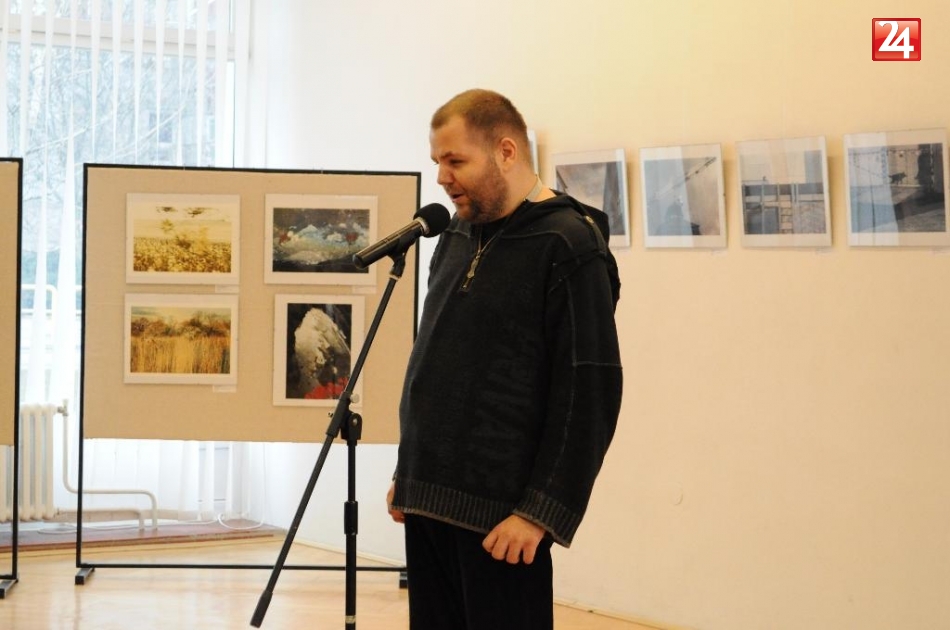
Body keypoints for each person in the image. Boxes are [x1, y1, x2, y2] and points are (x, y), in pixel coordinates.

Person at [386, 88, 623, 630]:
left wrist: (539, 513)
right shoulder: (456, 234)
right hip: (428, 502)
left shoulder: (568, 244)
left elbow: (589, 392)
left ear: (506, 151)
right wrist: (410, 470)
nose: (442, 177)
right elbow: (435, 362)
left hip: (504, 522)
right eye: (437, 161)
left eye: (455, 161)